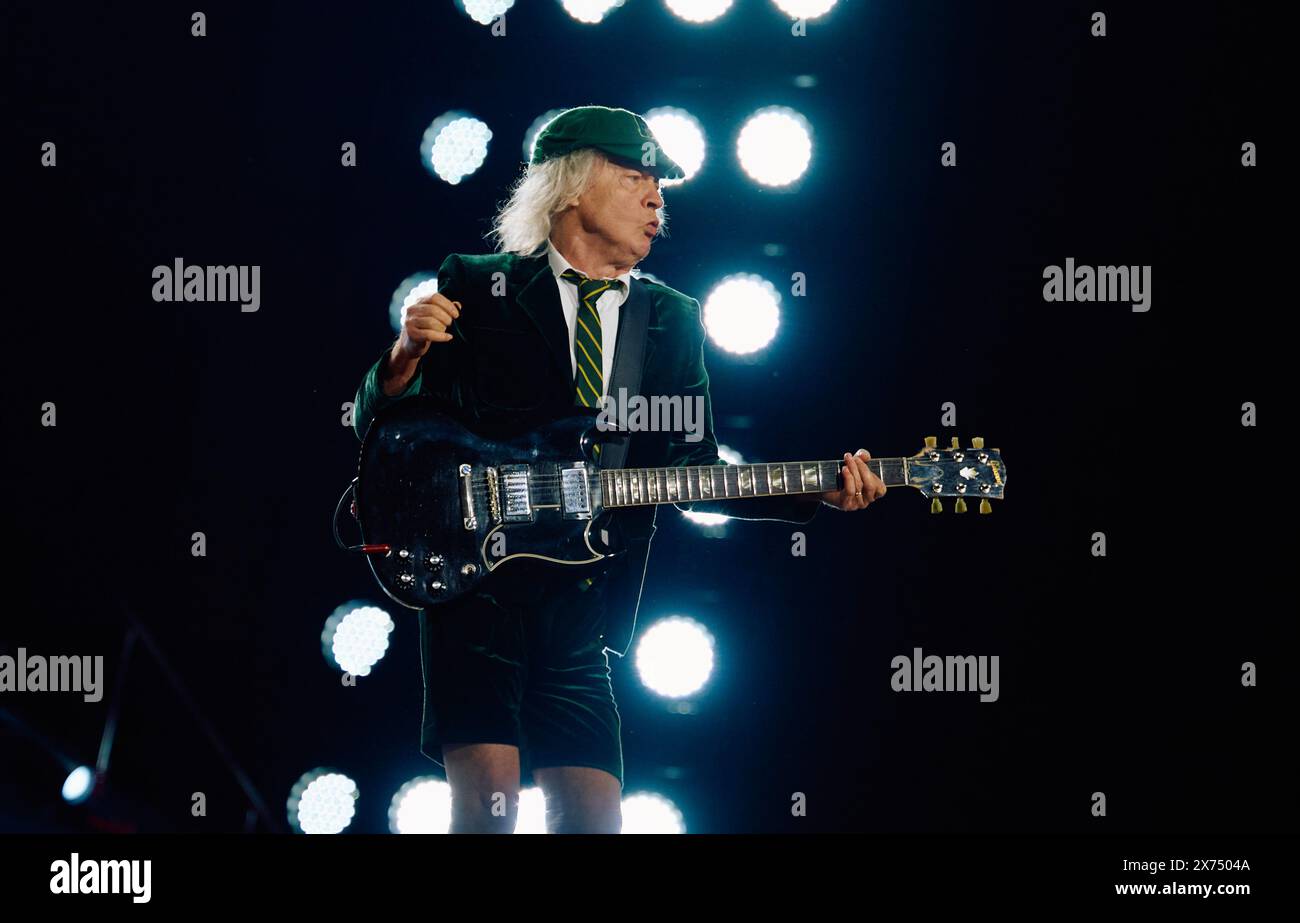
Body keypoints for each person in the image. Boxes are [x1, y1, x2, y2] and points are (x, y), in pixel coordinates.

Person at [352, 106, 886, 833]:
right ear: (572, 184)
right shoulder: (479, 285)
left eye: (660, 183)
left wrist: (817, 493)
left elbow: (692, 470)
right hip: (478, 591)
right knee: (485, 815)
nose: (656, 197)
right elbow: (388, 430)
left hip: (582, 602)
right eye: (636, 175)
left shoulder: (672, 319)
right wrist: (403, 359)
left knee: (596, 821)